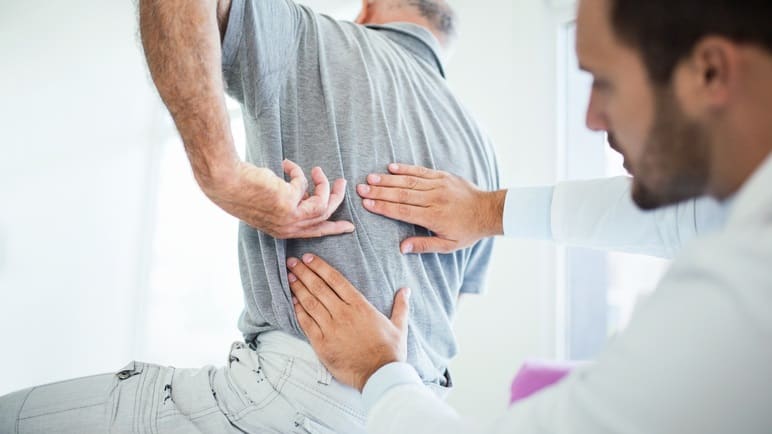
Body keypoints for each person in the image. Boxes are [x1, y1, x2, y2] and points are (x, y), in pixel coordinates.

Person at [0, 0, 502, 432]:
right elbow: (443, 305)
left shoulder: (317, 36)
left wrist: (223, 174)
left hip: (303, 396)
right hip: (411, 407)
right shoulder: (483, 154)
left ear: (368, 9)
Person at [285, 0, 772, 432]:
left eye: (604, 82)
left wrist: (379, 372)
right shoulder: (742, 220)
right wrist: (487, 209)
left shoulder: (744, 292)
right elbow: (683, 220)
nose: (591, 118)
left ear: (709, 73)